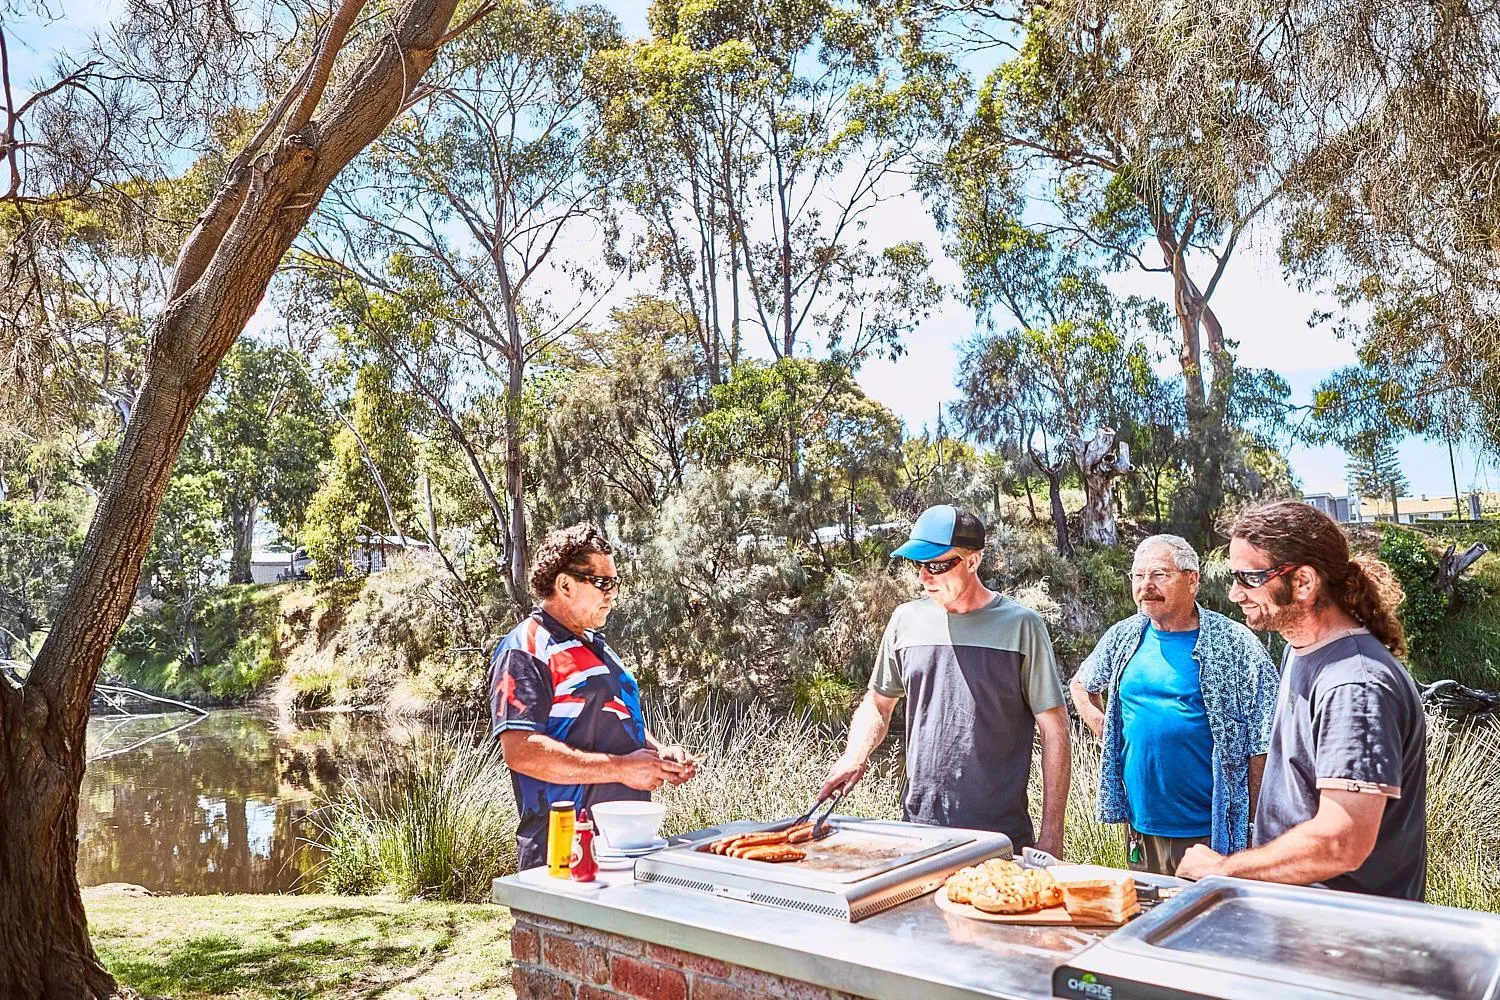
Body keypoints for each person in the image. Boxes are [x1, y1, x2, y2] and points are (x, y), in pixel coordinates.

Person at [1177, 501, 1427, 900]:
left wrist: (1224, 871)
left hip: (1346, 943)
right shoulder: (1300, 649)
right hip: (1301, 921)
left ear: (1304, 583)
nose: (1234, 592)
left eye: (1249, 577)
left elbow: (1340, 841)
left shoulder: (1354, 686)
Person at [819, 505, 1071, 856]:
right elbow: (878, 704)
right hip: (917, 833)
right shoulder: (905, 621)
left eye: (937, 565)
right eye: (919, 565)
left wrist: (1051, 835)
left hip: (1000, 839)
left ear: (973, 561)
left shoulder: (1021, 626)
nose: (924, 577)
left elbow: (1055, 730)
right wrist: (855, 755)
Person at [489, 523, 696, 871]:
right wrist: (622, 769)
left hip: (624, 843)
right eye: (602, 582)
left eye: (615, 583)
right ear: (565, 584)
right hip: (561, 849)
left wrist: (659, 754)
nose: (612, 593)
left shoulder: (598, 647)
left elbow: (616, 718)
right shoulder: (526, 648)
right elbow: (521, 751)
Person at [1071, 535, 1278, 876]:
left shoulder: (1236, 644)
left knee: (1208, 927)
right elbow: (1081, 684)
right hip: (1140, 825)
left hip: (1212, 833)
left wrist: (1255, 828)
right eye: (1138, 576)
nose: (1146, 586)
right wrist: (1105, 729)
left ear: (1192, 579)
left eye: (1159, 575)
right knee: (1148, 920)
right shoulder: (1124, 636)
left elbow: (1263, 744)